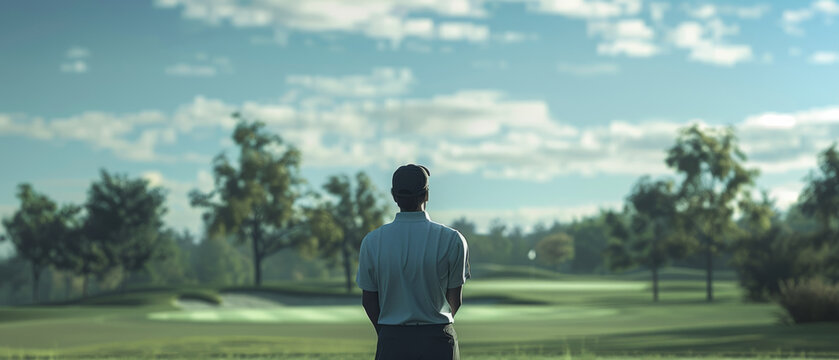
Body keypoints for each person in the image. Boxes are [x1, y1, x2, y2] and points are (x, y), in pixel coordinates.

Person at [356, 164, 471, 360]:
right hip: (438, 339)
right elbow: (455, 300)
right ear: (426, 195)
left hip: (392, 338)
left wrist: (387, 333)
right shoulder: (452, 238)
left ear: (394, 196)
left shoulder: (373, 241)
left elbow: (369, 301)